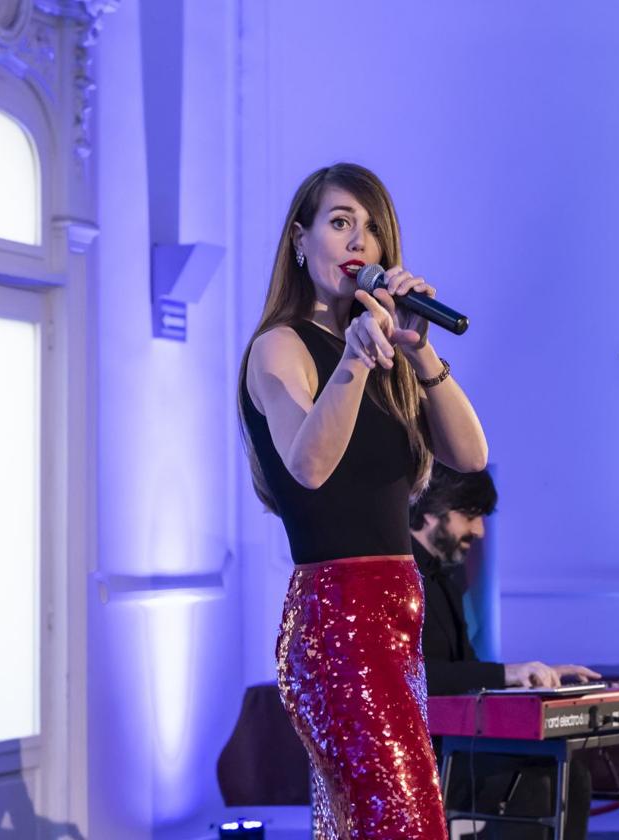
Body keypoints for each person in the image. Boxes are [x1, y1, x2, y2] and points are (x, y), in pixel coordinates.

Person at [238, 163, 488, 839]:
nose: (359, 241)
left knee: (376, 826)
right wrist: (351, 360)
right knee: (406, 825)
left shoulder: (386, 351)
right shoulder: (281, 348)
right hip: (337, 624)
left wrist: (418, 351)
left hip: (396, 621)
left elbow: (471, 456)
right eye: (341, 221)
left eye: (372, 230)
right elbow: (309, 467)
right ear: (301, 239)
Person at [411, 464, 599, 840]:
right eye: (470, 516)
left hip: (454, 742)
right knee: (536, 782)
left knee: (569, 774)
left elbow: (465, 670)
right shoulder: (399, 578)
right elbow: (416, 674)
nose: (479, 531)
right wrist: (506, 674)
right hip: (420, 752)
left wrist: (533, 681)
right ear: (432, 511)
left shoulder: (444, 578)